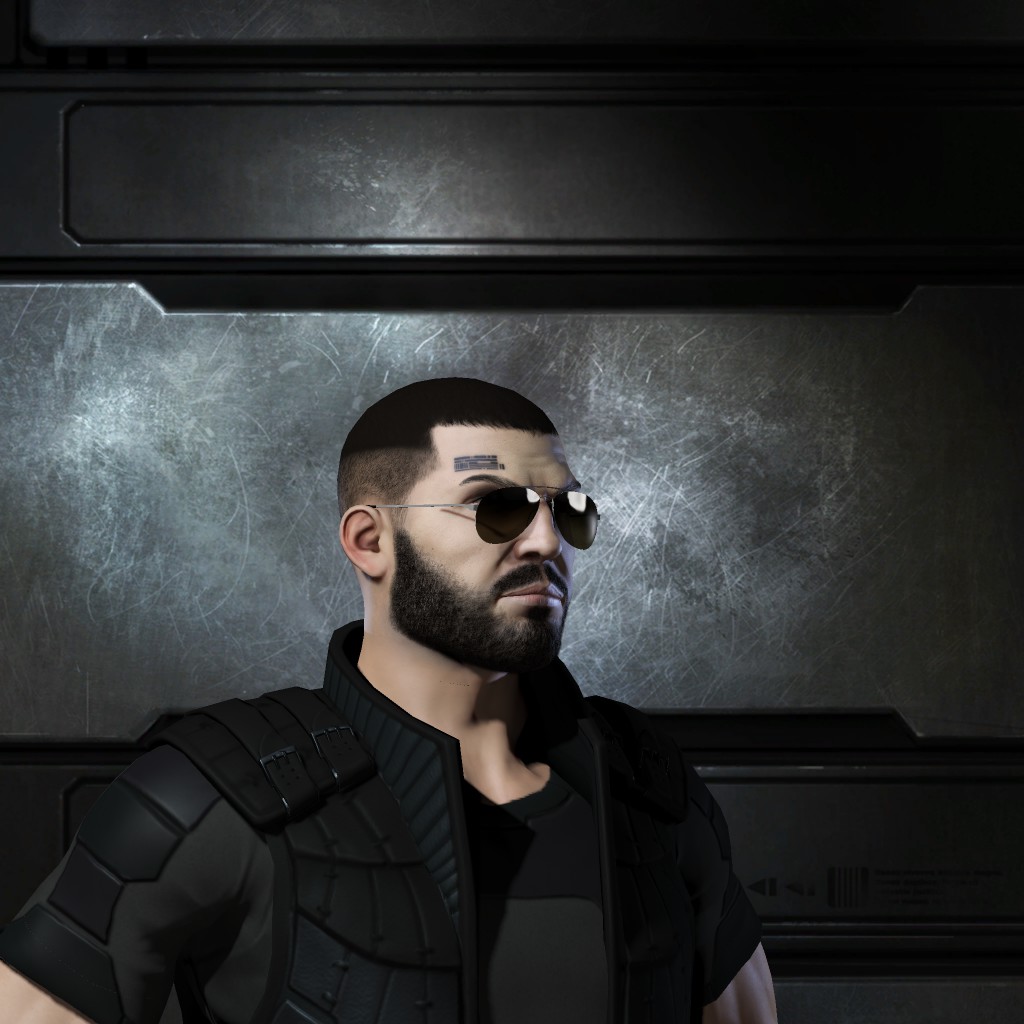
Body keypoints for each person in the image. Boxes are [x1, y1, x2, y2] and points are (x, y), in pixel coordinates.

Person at [0, 377, 778, 1024]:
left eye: (566, 510)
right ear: (370, 541)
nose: (546, 543)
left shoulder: (649, 791)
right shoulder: (213, 793)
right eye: (497, 508)